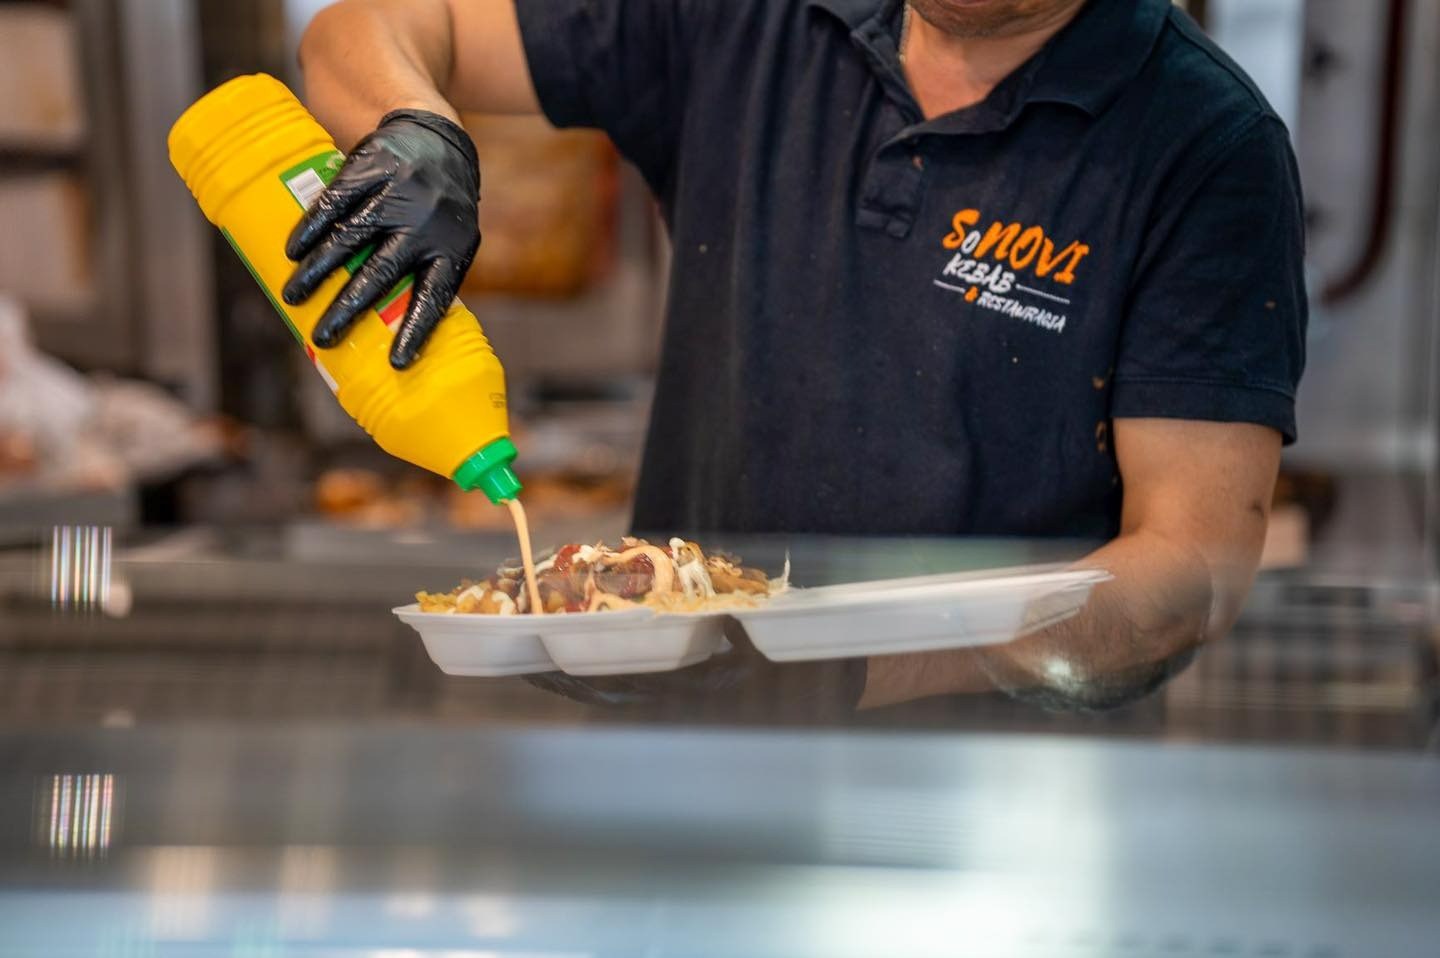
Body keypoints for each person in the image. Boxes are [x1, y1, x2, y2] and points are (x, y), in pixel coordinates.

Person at [287, 0, 1306, 712]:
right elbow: (366, 27)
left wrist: (829, 667)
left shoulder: (1204, 142)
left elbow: (1188, 575)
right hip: (690, 783)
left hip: (1001, 817)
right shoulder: (747, 18)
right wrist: (417, 130)